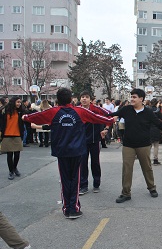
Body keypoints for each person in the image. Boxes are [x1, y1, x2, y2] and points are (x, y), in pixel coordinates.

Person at [22, 88, 114, 219]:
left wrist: (25, 117)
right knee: (75, 179)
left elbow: (34, 117)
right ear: (71, 99)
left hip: (62, 150)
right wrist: (111, 120)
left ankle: (67, 208)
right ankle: (74, 208)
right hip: (76, 150)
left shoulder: (53, 111)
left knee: (65, 179)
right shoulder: (80, 111)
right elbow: (97, 117)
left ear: (57, 100)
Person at [108, 89, 162, 203]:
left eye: (134, 97)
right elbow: (111, 115)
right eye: (131, 97)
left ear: (141, 99)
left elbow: (158, 123)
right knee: (127, 169)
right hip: (128, 145)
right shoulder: (126, 109)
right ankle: (125, 193)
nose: (132, 99)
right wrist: (95, 114)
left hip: (143, 145)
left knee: (147, 167)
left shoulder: (148, 112)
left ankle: (152, 188)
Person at [78, 91, 111, 195]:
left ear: (90, 99)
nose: (84, 99)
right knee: (82, 163)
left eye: (86, 97)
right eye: (82, 97)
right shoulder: (76, 110)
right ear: (80, 99)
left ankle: (96, 184)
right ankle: (83, 186)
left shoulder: (96, 109)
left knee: (95, 162)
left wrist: (106, 129)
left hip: (94, 140)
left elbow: (109, 117)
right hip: (81, 141)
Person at [0, 97, 25, 180]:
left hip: (17, 134)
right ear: (13, 102)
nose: (19, 104)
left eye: (20, 102)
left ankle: (15, 168)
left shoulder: (20, 111)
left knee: (17, 154)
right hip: (7, 134)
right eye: (18, 102)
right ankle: (11, 171)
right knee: (9, 154)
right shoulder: (4, 111)